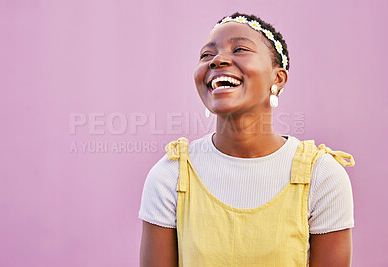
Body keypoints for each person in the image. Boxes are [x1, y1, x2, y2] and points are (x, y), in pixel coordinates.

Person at [139, 12, 355, 267]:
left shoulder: (322, 176)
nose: (218, 60)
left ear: (278, 78)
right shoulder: (170, 175)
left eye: (239, 49)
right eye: (206, 55)